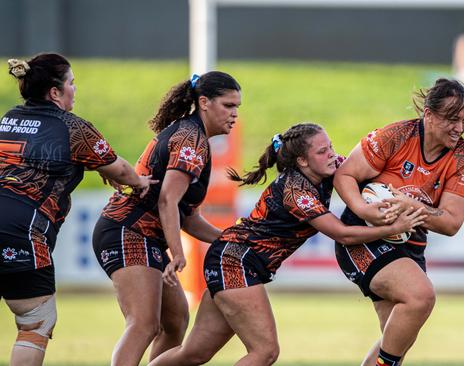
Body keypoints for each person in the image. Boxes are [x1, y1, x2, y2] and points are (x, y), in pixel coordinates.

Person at [148, 122, 427, 366]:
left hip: (233, 260)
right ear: (303, 161)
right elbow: (343, 234)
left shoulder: (328, 168)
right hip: (235, 261)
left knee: (195, 353)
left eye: (330, 146)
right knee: (265, 352)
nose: (332, 154)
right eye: (322, 151)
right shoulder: (296, 191)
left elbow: (363, 169)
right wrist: (394, 227)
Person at [0, 53, 153, 366]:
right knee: (35, 322)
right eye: (71, 83)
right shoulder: (73, 128)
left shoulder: (7, 119)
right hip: (18, 232)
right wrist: (140, 182)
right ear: (55, 92)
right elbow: (120, 170)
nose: (75, 89)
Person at [92, 71, 241, 366]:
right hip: (128, 231)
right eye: (228, 105)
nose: (234, 114)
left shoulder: (195, 137)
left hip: (142, 237)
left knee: (175, 321)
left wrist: (228, 239)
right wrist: (177, 253)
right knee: (144, 323)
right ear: (204, 103)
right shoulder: (191, 139)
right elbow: (167, 199)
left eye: (237, 107)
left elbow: (187, 217)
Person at [334, 78, 464, 366]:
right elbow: (345, 175)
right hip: (364, 237)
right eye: (452, 119)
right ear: (429, 115)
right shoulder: (396, 136)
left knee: (397, 339)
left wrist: (412, 205)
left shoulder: (463, 159)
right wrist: (365, 209)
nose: (459, 128)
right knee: (420, 297)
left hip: (408, 246)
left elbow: (450, 223)